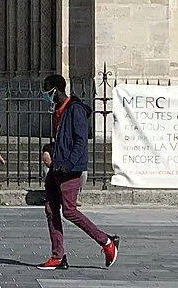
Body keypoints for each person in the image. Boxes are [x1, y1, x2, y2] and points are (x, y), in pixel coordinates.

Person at [38, 75, 118, 271]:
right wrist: (48, 150)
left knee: (69, 211)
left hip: (69, 168)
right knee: (50, 209)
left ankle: (107, 242)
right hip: (57, 167)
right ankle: (57, 256)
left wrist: (69, 164)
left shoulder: (75, 109)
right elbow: (61, 141)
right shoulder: (58, 111)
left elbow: (80, 141)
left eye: (48, 92)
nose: (46, 96)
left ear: (56, 90)